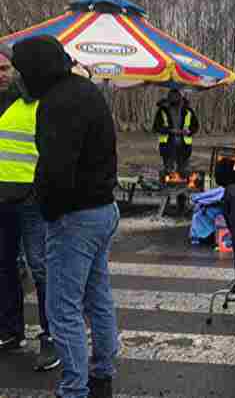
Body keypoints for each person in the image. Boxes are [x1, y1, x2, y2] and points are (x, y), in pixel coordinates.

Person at [12, 35, 119, 398]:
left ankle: (74, 388)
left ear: (36, 71)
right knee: (98, 297)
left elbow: (56, 171)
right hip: (104, 209)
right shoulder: (85, 91)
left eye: (21, 72)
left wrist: (48, 211)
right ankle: (102, 373)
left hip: (75, 217)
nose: (18, 79)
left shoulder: (57, 103)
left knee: (62, 308)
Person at [0, 43, 61, 371]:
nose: (1, 75)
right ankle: (10, 331)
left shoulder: (40, 100)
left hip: (32, 200)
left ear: (17, 71)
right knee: (4, 266)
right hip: (1, 199)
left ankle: (52, 338)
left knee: (40, 267)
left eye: (5, 69)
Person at [152, 89, 199, 176]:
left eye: (176, 96)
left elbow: (195, 126)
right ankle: (167, 188)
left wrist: (189, 131)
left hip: (184, 146)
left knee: (184, 172)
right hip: (167, 146)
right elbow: (156, 127)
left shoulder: (188, 110)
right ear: (168, 97)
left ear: (181, 97)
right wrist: (169, 130)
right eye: (172, 96)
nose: (174, 98)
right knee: (168, 172)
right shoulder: (162, 110)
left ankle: (183, 187)